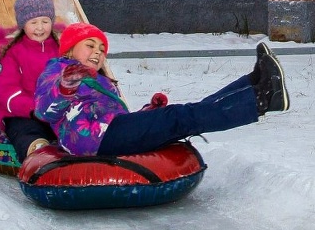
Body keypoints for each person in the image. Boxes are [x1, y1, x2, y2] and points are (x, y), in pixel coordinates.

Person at [32, 23, 290, 158]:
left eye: (101, 49)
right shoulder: (58, 69)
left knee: (185, 115)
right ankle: (262, 100)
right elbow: (45, 109)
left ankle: (252, 83)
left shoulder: (101, 81)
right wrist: (67, 83)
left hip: (108, 133)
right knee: (179, 117)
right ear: (69, 50)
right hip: (92, 141)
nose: (97, 52)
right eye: (90, 45)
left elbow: (118, 120)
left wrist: (148, 112)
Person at [0, 0, 65, 161]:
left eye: (45, 21)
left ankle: (80, 155)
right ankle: (38, 154)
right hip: (23, 112)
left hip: (55, 111)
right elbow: (7, 91)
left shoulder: (61, 49)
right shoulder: (11, 52)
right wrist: (32, 109)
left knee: (73, 125)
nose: (40, 28)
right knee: (24, 131)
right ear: (23, 24)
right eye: (33, 22)